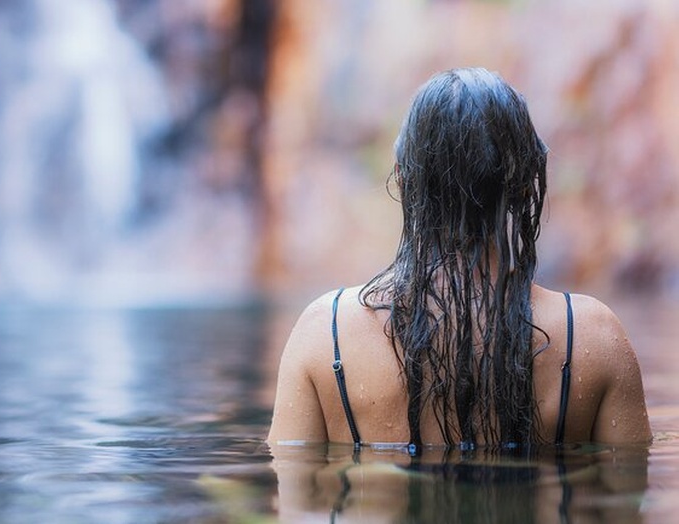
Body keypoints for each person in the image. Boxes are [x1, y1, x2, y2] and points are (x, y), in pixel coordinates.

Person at [267, 67, 651, 450]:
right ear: (523, 183)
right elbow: (624, 492)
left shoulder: (324, 332)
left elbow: (299, 501)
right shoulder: (595, 337)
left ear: (403, 177)